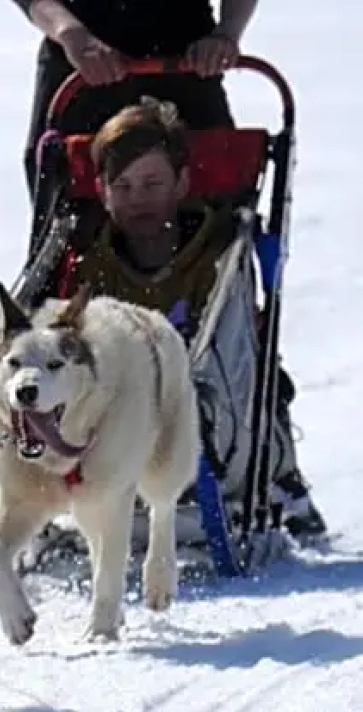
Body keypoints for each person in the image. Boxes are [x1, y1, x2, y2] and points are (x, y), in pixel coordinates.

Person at [65, 97, 324, 538]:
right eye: (123, 186)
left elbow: (231, 342)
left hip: (210, 406)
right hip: (113, 416)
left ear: (182, 183)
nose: (138, 200)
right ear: (103, 193)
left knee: (257, 383)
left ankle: (279, 474)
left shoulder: (217, 255)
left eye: (152, 183)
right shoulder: (91, 267)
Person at [11, 0, 262, 194]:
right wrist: (69, 31)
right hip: (80, 62)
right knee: (61, 182)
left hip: (184, 58)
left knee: (216, 188)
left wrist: (227, 33)